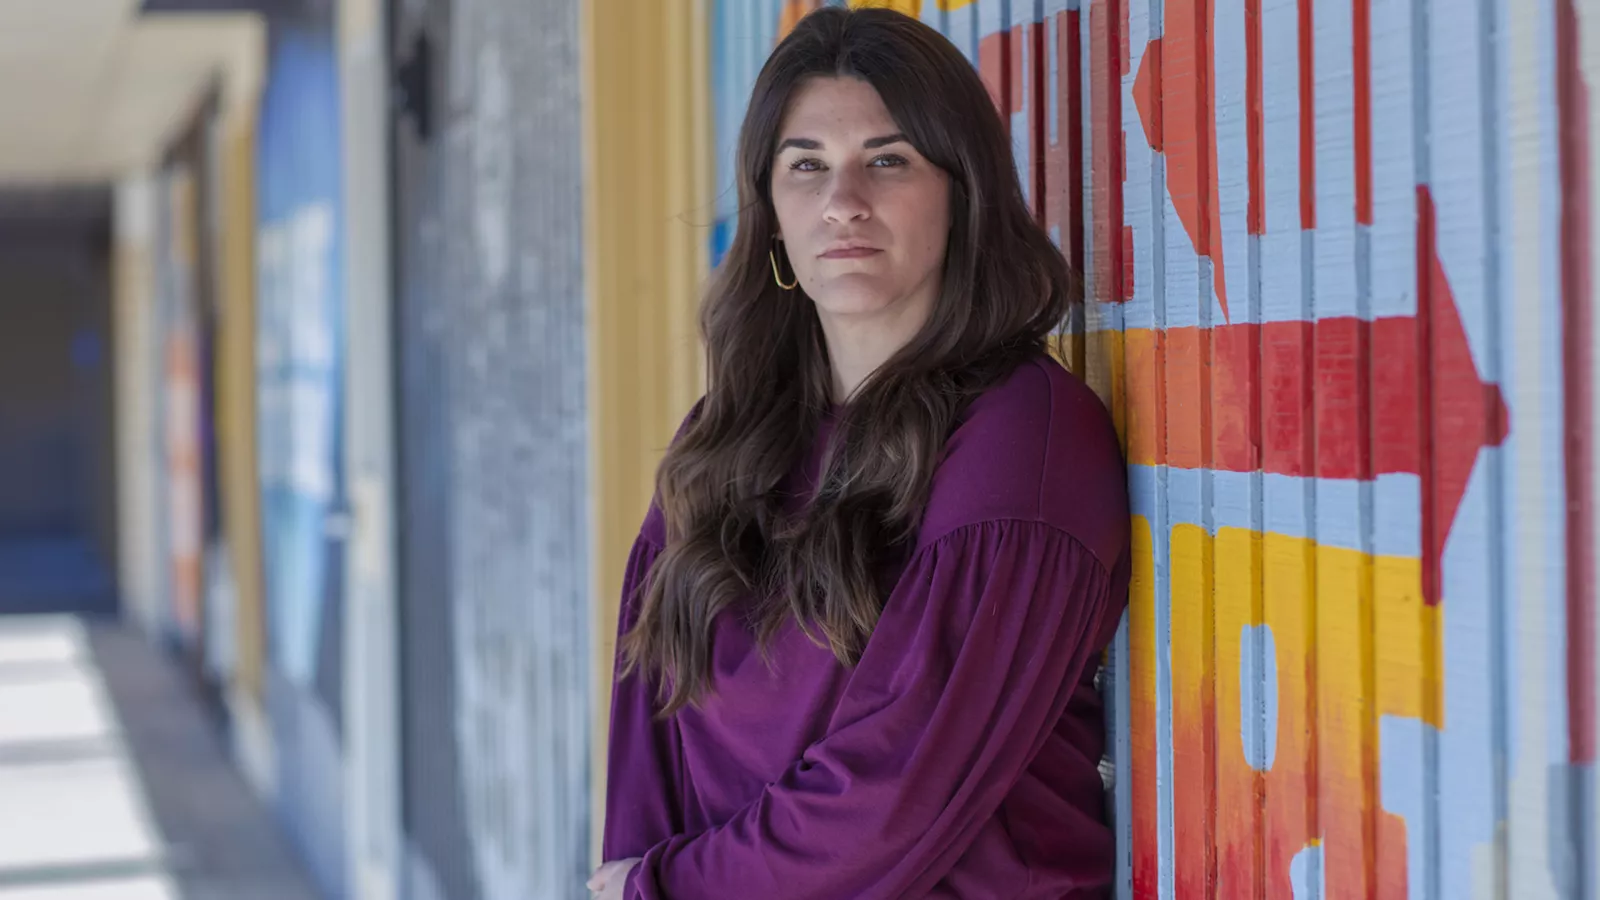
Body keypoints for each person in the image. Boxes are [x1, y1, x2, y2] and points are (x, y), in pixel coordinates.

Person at [588, 7, 1129, 899]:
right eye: (807, 165)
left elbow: (893, 800)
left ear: (963, 194)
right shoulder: (726, 438)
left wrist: (669, 889)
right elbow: (650, 720)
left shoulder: (1021, 441)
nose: (844, 200)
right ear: (771, 212)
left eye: (888, 160)